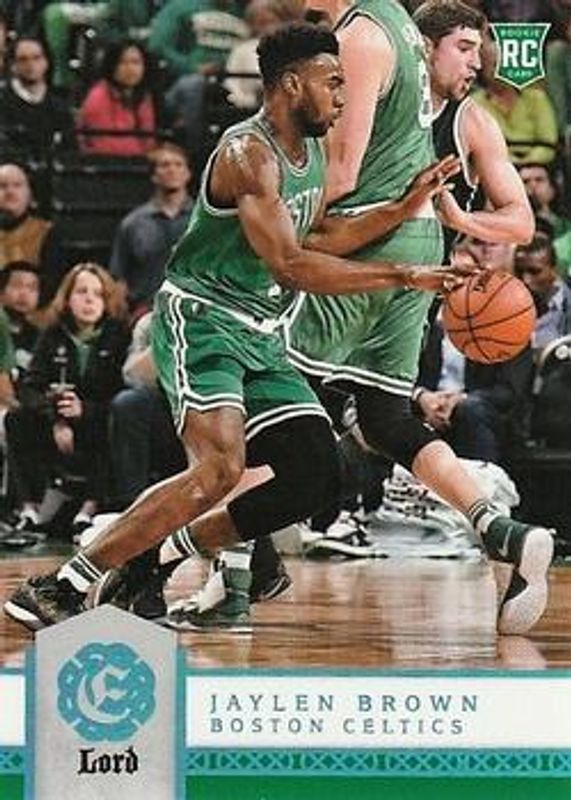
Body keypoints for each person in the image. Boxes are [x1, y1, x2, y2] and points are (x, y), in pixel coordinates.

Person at [3, 22, 458, 632]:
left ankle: (153, 560)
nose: (344, 95)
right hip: (204, 320)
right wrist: (400, 274)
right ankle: (62, 584)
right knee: (217, 468)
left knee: (315, 474)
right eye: (332, 82)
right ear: (291, 84)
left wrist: (402, 209)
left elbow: (319, 235)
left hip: (260, 330)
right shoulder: (248, 154)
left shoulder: (312, 152)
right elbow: (290, 263)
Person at [285, 0, 552, 636]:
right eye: (464, 47)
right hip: (398, 277)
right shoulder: (378, 81)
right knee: (383, 420)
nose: (477, 62)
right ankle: (498, 528)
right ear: (422, 46)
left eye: (480, 49)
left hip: (376, 270)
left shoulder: (469, 120)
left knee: (270, 388)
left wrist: (461, 219)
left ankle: (238, 561)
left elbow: (521, 222)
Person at [4, 263, 130, 536]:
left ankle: (90, 508)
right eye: (81, 292)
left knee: (117, 418)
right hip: (58, 421)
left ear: (107, 301)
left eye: (97, 294)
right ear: (67, 298)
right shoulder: (52, 334)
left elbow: (121, 391)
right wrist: (56, 420)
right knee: (16, 418)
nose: (89, 300)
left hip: (97, 420)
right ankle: (29, 508)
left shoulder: (118, 336)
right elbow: (29, 388)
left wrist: (85, 410)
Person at [109, 142, 194, 319]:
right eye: (165, 165)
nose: (172, 170)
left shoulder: (203, 221)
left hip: (194, 314)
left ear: (188, 174)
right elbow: (119, 277)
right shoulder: (133, 223)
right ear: (154, 175)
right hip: (146, 312)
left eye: (178, 164)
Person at [76, 38, 159, 156]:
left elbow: (148, 140)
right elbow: (105, 145)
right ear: (111, 66)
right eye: (122, 62)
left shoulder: (144, 95)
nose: (130, 69)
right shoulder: (98, 97)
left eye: (136, 62)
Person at [0, 163, 68, 305]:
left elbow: (52, 286)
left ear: (30, 194)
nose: (10, 192)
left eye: (17, 185)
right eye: (2, 186)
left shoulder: (46, 232)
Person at [0, 36, 74, 156]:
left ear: (46, 62)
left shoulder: (59, 107)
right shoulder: (3, 102)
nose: (31, 65)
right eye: (23, 59)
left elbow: (70, 150)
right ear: (13, 65)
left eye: (36, 58)